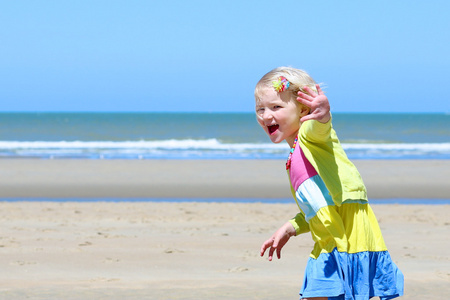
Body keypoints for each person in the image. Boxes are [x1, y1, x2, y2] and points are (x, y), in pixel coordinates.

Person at [255, 67, 404, 300]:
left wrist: (322, 114)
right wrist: (290, 228)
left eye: (276, 107)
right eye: (260, 109)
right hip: (328, 245)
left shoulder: (309, 135)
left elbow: (321, 128)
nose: (265, 115)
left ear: (304, 109)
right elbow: (318, 207)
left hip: (349, 240)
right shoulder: (294, 155)